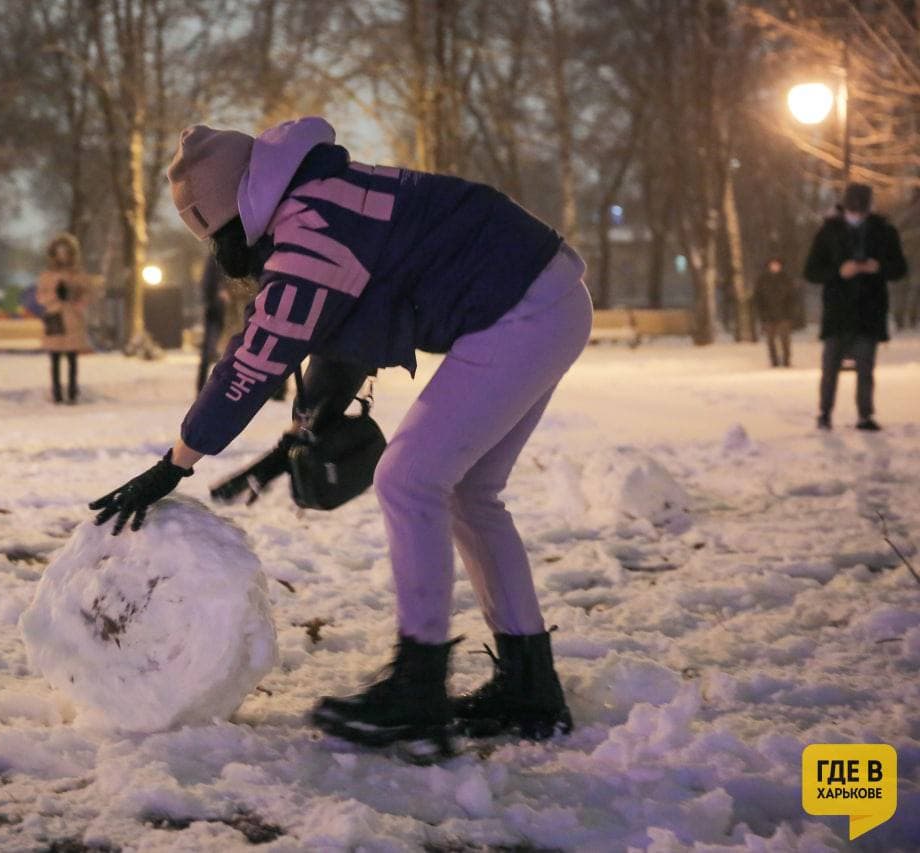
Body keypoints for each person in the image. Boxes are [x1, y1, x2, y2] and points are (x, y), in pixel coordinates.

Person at [89, 117, 593, 755]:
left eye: (212, 233)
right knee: (467, 495)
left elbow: (257, 354)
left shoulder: (310, 226)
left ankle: (419, 685)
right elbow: (334, 331)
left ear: (229, 210)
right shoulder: (323, 193)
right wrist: (294, 438)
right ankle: (529, 687)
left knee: (410, 479)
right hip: (545, 298)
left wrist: (176, 462)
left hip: (521, 311)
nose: (222, 252)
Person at [803, 183, 909, 431]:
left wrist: (878, 267)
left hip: (869, 310)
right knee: (830, 366)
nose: (857, 215)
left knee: (865, 366)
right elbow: (811, 271)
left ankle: (865, 414)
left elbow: (899, 269)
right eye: (853, 210)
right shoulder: (828, 231)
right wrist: (839, 272)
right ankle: (824, 412)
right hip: (838, 310)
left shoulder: (884, 231)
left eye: (861, 211)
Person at [36, 232, 95, 404]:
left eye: (66, 252)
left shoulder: (78, 274)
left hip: (73, 320)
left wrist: (75, 298)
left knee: (72, 358)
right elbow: (40, 296)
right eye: (59, 252)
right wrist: (55, 296)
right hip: (55, 319)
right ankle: (56, 393)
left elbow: (87, 295)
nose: (62, 255)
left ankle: (72, 392)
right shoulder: (47, 275)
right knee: (54, 359)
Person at [753, 257, 800, 368]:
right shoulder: (763, 279)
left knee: (785, 339)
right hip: (768, 315)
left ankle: (786, 360)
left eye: (777, 264)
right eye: (773, 264)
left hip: (784, 314)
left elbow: (792, 298)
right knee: (770, 340)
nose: (775, 266)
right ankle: (774, 361)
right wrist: (762, 313)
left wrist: (791, 313)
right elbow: (758, 298)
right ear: (769, 266)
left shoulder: (786, 279)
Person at [196, 254, 229, 392]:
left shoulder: (216, 257)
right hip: (217, 310)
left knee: (211, 350)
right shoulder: (216, 258)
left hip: (218, 309)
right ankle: (203, 388)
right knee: (210, 350)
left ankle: (203, 388)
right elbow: (208, 283)